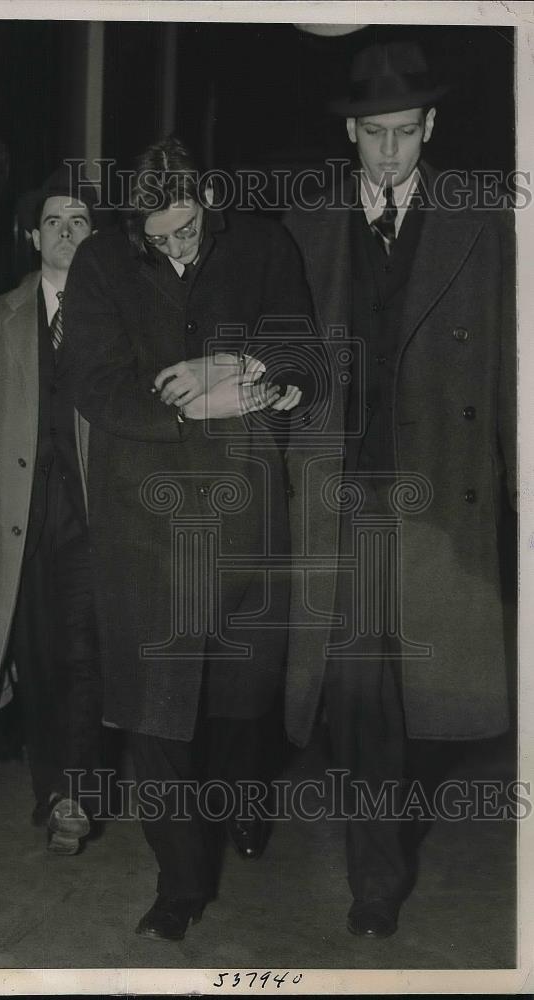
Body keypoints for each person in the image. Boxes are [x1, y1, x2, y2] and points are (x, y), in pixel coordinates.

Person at [283, 40, 516, 938]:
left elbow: (511, 364)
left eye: (405, 132)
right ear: (351, 134)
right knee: (359, 700)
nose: (389, 152)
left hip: (441, 502)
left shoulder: (485, 220)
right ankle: (374, 879)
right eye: (373, 134)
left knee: (426, 707)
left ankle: (392, 825)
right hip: (340, 501)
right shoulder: (306, 227)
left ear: (432, 126)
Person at [62, 135, 313, 940]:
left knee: (240, 698)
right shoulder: (102, 262)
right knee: (156, 712)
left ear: (207, 196)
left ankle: (241, 804)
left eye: (187, 229)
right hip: (145, 520)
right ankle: (180, 881)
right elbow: (91, 382)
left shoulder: (266, 243)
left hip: (245, 510)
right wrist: (186, 406)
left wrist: (237, 365)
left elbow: (308, 353)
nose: (175, 246)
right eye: (158, 237)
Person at [0, 168, 104, 855]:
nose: (66, 233)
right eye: (54, 222)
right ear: (33, 235)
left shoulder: (120, 315)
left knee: (87, 652)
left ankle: (77, 797)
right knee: (35, 659)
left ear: (96, 237)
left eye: (80, 223)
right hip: (19, 517)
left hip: (95, 517)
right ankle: (51, 785)